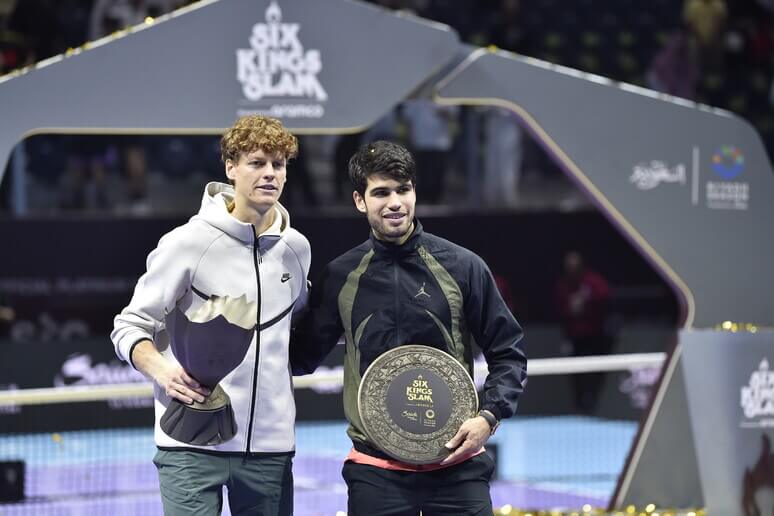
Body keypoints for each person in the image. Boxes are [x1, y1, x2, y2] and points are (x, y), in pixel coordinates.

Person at [290, 140, 527, 516]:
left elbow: (508, 352)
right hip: (375, 472)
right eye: (381, 192)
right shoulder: (341, 277)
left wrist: (489, 417)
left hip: (458, 469)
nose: (395, 202)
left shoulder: (464, 267)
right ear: (359, 200)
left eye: (403, 189)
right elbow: (299, 358)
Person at [111, 115, 310, 515]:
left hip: (270, 449)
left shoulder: (298, 249)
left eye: (279, 164)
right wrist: (163, 372)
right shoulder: (187, 242)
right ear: (230, 167)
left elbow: (298, 330)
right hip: (191, 443)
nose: (269, 174)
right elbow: (129, 325)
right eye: (257, 163)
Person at [554, 250, 612, 413]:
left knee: (595, 371)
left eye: (575, 266)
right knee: (575, 374)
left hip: (594, 336)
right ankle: (578, 405)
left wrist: (587, 302)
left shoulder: (593, 282)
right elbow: (559, 310)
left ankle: (594, 403)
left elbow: (605, 298)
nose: (572, 269)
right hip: (573, 337)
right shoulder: (563, 286)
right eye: (569, 267)